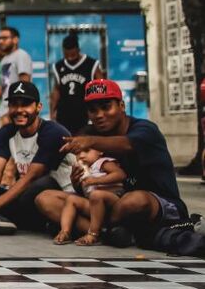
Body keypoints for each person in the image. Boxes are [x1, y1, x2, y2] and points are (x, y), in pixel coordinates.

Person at [52, 79, 189, 248]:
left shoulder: (145, 129)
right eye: (93, 110)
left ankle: (96, 229)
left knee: (135, 200)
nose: (100, 115)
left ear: (122, 106)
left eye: (106, 107)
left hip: (159, 204)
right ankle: (105, 231)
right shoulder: (95, 136)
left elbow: (127, 144)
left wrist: (90, 141)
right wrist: (78, 184)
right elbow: (95, 189)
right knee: (46, 198)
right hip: (111, 203)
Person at [0, 81, 75, 235]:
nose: (19, 110)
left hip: (56, 199)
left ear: (38, 107)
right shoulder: (6, 132)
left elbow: (32, 177)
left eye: (26, 104)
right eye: (14, 104)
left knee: (40, 183)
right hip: (24, 199)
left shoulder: (52, 132)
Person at [54, 148, 126, 245]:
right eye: (78, 152)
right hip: (94, 204)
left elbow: (120, 174)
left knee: (96, 195)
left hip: (113, 201)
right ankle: (65, 232)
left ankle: (93, 234)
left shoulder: (103, 162)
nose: (82, 155)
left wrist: (97, 181)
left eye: (86, 151)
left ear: (100, 151)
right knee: (71, 199)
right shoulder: (85, 168)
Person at [50, 32, 103, 135]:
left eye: (73, 54)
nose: (70, 58)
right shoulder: (58, 66)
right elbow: (56, 90)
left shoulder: (91, 64)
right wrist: (53, 111)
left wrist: (98, 110)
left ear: (78, 49)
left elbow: (101, 87)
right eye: (67, 55)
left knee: (82, 143)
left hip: (84, 112)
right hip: (64, 113)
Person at [0, 26, 32, 128]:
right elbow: (3, 85)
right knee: (5, 142)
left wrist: (17, 109)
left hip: (15, 109)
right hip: (5, 108)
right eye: (0, 38)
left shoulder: (21, 55)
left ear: (15, 40)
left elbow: (25, 84)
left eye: (5, 38)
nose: (1, 41)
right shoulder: (5, 60)